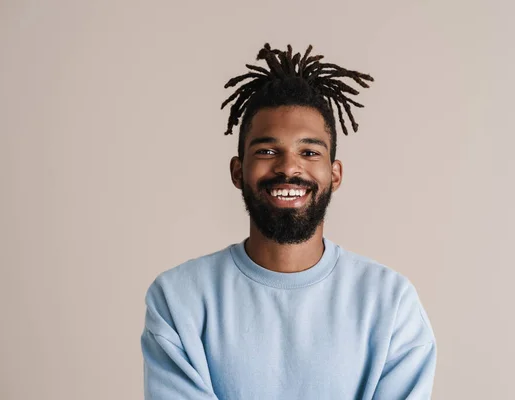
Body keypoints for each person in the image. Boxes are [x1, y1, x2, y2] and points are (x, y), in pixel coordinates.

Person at [140, 43, 437, 399]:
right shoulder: (178, 299)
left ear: (335, 174)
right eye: (267, 151)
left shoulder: (391, 305)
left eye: (309, 152)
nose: (288, 167)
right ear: (238, 171)